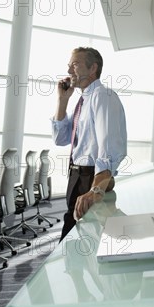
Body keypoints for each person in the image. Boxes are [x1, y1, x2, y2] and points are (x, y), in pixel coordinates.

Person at [51, 47, 127, 241]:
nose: (69, 71)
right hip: (76, 174)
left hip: (90, 176)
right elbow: (60, 139)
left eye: (75, 65)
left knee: (88, 236)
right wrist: (62, 100)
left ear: (93, 68)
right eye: (69, 66)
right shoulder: (83, 100)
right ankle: (73, 271)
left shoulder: (103, 96)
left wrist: (96, 188)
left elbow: (108, 147)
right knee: (73, 232)